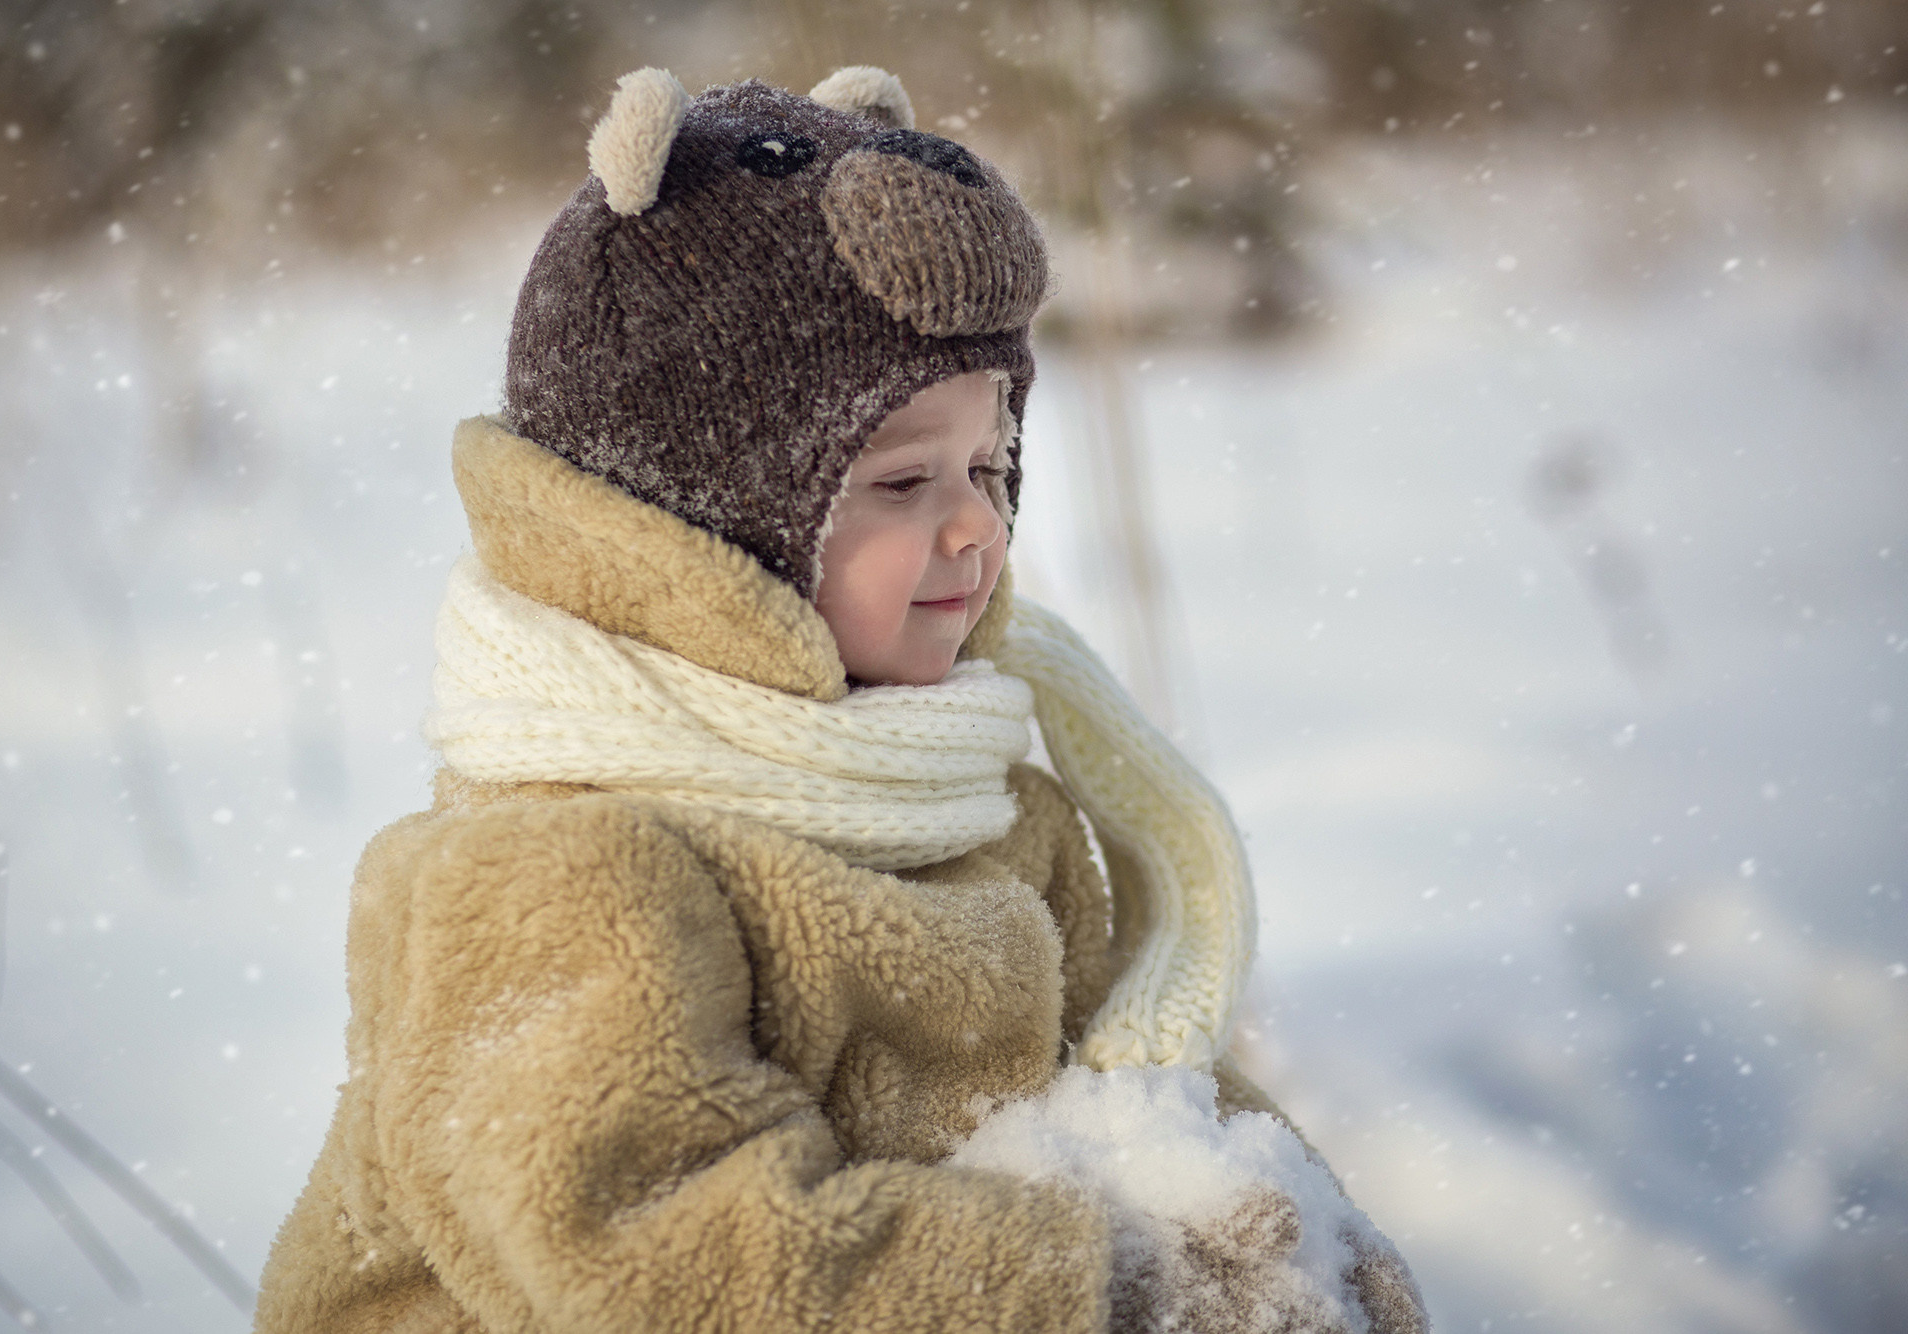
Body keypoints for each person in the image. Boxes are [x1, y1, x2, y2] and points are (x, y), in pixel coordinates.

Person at [254, 66, 1426, 1334]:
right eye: (901, 478)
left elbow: (1149, 1095)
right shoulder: (557, 867)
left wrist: (1308, 1247)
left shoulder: (992, 814)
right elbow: (673, 1262)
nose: (977, 522)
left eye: (990, 461)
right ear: (706, 524)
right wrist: (1118, 1286)